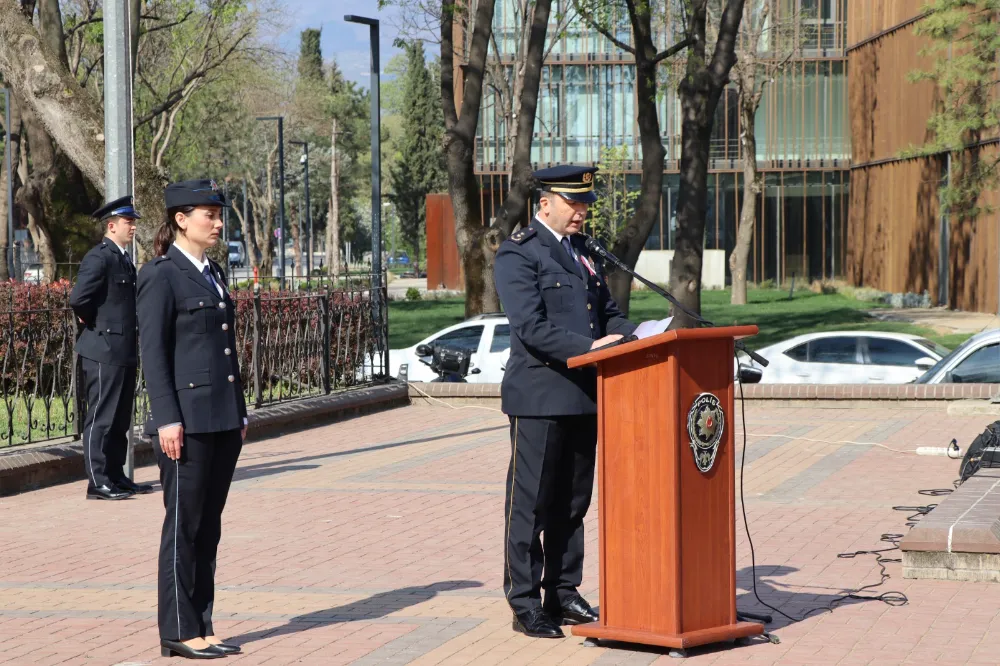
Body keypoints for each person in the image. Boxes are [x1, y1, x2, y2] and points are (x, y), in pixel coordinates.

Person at [494, 165, 637, 638]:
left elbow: (611, 313)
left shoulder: (586, 256)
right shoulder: (519, 255)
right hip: (539, 396)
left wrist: (635, 338)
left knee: (572, 504)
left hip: (584, 396)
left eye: (586, 204)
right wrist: (588, 349)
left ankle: (562, 590)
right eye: (574, 203)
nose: (582, 212)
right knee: (531, 504)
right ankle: (524, 601)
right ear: (545, 203)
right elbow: (531, 327)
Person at [137, 179, 248, 660]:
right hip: (185, 421)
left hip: (222, 417)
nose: (219, 223)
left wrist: (239, 409)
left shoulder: (213, 271)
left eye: (219, 215)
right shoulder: (161, 274)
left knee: (210, 527)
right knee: (184, 525)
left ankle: (203, 623)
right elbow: (154, 353)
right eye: (210, 215)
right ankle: (178, 630)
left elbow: (225, 349)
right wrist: (166, 419)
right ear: (181, 219)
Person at [69, 195, 152, 500]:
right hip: (103, 349)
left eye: (133, 222)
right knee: (102, 417)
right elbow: (79, 298)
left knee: (119, 419)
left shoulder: (122, 258)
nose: (133, 227)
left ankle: (116, 477)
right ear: (112, 225)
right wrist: (96, 325)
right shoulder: (100, 257)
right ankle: (98, 482)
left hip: (123, 349)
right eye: (129, 222)